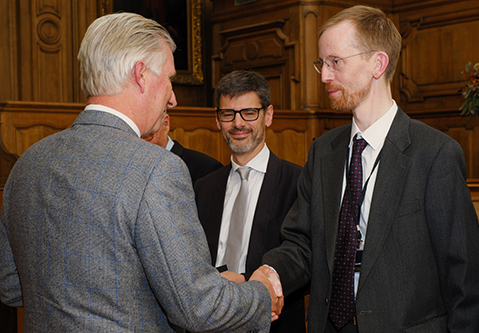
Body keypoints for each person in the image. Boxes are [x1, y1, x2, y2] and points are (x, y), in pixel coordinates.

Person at [0, 12, 283, 332]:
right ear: (141, 75)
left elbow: (11, 286)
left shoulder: (28, 163)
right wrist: (259, 293)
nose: (173, 99)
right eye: (170, 79)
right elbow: (200, 308)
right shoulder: (156, 169)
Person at [261, 5, 479, 333]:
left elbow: (464, 279)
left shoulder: (435, 154)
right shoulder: (323, 151)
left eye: (335, 62)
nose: (324, 75)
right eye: (321, 63)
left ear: (377, 64)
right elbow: (302, 242)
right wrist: (270, 273)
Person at [194, 70, 307, 333]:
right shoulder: (203, 187)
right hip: (212, 322)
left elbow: (305, 260)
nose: (238, 123)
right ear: (217, 119)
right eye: (228, 114)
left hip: (273, 325)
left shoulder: (298, 182)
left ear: (268, 115)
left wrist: (247, 282)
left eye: (249, 112)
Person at [142, 112, 223, 184]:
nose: (139, 141)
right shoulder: (133, 164)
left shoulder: (207, 168)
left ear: (165, 124)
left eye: (147, 134)